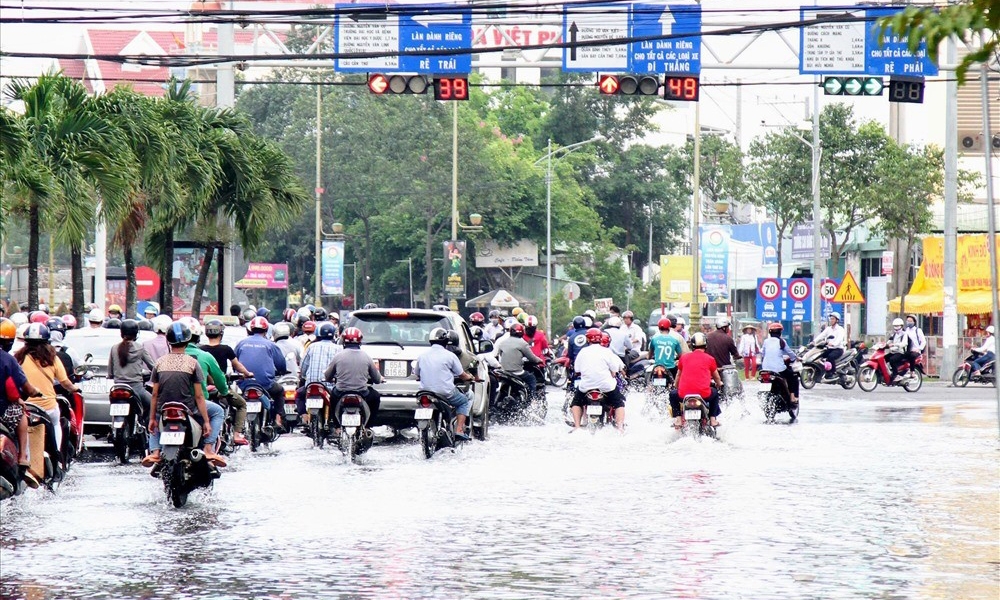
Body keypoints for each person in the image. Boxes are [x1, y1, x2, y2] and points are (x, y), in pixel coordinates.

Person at [142, 321, 225, 468]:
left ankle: (155, 452)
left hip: (164, 408)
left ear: (168, 341)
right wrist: (206, 421)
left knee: (154, 419)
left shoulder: (159, 363)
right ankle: (208, 449)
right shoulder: (192, 363)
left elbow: (155, 395)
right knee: (218, 411)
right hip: (188, 407)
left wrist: (152, 418)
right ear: (188, 340)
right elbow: (199, 396)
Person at [15, 323, 80, 455]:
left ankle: (23, 456)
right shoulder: (52, 358)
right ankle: (57, 454)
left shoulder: (18, 358)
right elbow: (65, 382)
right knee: (56, 424)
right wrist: (75, 389)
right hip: (48, 407)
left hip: (26, 408)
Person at [0, 318, 44, 488]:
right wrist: (33, 393)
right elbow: (23, 386)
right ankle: (23, 458)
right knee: (21, 415)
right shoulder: (9, 360)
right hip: (4, 410)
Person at [414, 327, 475, 440]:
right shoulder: (450, 356)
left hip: (425, 392)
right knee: (464, 401)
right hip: (446, 392)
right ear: (446, 341)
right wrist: (469, 377)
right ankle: (459, 430)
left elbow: (416, 373)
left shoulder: (422, 356)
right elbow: (462, 374)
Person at [201, 319, 253, 445]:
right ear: (221, 333)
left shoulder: (201, 350)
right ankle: (236, 434)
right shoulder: (226, 349)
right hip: (220, 388)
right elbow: (237, 365)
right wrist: (248, 374)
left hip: (204, 389)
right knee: (242, 405)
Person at [323, 327, 381, 433]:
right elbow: (376, 379)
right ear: (360, 341)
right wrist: (381, 379)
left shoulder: (338, 356)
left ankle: (336, 427)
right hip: (362, 392)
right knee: (376, 397)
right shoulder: (366, 357)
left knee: (332, 398)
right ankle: (368, 426)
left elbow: (327, 376)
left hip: (341, 392)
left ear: (344, 341)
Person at [234, 316, 288, 427]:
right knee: (279, 391)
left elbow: (234, 361)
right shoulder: (270, 345)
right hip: (266, 384)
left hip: (244, 384)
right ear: (266, 330)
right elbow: (281, 363)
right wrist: (281, 371)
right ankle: (278, 419)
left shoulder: (241, 343)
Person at [569, 328, 626, 432]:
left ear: (587, 339)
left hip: (586, 387)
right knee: (619, 403)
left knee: (576, 402)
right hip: (606, 387)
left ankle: (577, 426)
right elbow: (614, 369)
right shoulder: (606, 351)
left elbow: (577, 370)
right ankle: (620, 428)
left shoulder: (583, 351)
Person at [669, 332, 722, 429]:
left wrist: (676, 386)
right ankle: (713, 419)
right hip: (704, 395)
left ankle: (678, 419)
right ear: (706, 345)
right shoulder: (710, 359)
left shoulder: (683, 358)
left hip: (684, 395)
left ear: (692, 346)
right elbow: (716, 377)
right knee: (715, 393)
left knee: (673, 394)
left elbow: (678, 376)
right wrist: (719, 384)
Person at [108, 319, 156, 419]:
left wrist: (111, 376)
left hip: (118, 387)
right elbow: (153, 366)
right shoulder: (140, 348)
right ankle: (147, 428)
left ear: (121, 332)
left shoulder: (114, 348)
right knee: (154, 405)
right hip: (137, 388)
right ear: (136, 333)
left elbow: (110, 372)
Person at [298, 321, 341, 413]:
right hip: (330, 386)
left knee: (298, 394)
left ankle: (304, 416)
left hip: (311, 384)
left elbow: (303, 366)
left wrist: (303, 376)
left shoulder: (311, 346)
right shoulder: (338, 348)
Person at [496, 323, 543, 401]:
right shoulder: (523, 343)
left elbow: (501, 355)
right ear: (522, 332)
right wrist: (539, 360)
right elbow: (532, 358)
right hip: (517, 372)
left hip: (504, 371)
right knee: (531, 379)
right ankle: (531, 401)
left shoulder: (502, 342)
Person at [760, 322, 799, 404]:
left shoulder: (766, 341)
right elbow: (791, 354)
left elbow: (762, 353)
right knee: (793, 376)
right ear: (780, 332)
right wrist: (793, 358)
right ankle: (792, 397)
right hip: (778, 369)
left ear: (770, 332)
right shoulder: (782, 342)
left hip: (765, 369)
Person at [814, 312, 847, 378]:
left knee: (830, 356)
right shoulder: (828, 329)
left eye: (833, 319)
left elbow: (839, 339)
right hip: (829, 348)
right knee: (818, 356)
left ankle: (833, 372)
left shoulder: (840, 329)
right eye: (830, 319)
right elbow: (821, 335)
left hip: (838, 349)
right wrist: (814, 341)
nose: (831, 320)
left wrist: (833, 344)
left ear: (837, 320)